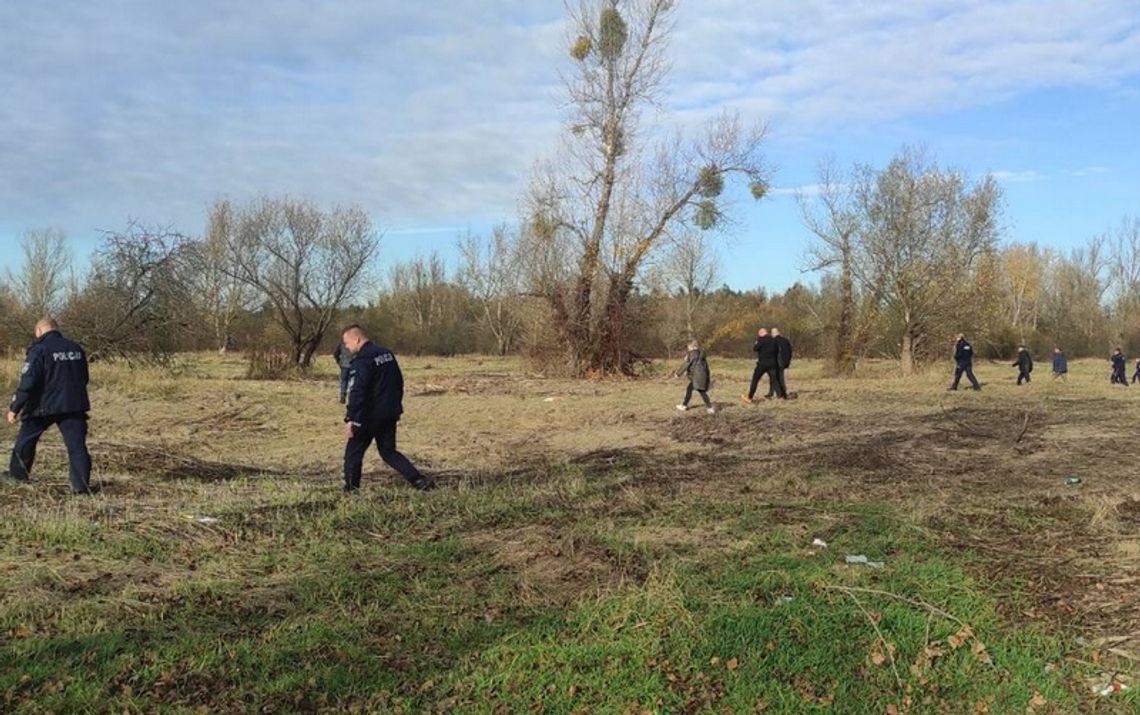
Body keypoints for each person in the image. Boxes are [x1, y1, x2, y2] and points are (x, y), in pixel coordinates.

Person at [340, 324, 434, 492]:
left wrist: (351, 418)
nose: (346, 347)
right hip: (389, 412)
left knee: (353, 454)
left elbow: (357, 391)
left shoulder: (362, 361)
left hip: (368, 416)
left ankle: (351, 491)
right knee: (389, 452)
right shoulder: (386, 353)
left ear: (357, 339)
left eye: (347, 343)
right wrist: (395, 406)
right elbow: (398, 381)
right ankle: (419, 481)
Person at [5, 318, 92, 494]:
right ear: (56, 329)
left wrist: (15, 407)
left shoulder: (39, 350)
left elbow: (28, 381)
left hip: (42, 405)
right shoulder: (76, 348)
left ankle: (17, 475)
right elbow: (84, 377)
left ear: (39, 330)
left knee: (26, 440)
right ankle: (80, 486)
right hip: (74, 405)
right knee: (77, 446)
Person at [674, 340, 714, 414]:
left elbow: (686, 364)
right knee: (690, 389)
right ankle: (685, 405)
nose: (688, 349)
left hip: (696, 377)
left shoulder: (691, 354)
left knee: (701, 392)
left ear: (692, 347)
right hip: (702, 376)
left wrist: (678, 374)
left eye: (688, 347)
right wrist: (708, 377)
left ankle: (710, 408)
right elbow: (706, 367)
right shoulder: (702, 354)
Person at [742, 328, 779, 403]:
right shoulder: (773, 340)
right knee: (774, 380)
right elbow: (777, 350)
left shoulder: (761, 340)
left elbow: (755, 348)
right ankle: (780, 396)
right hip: (772, 363)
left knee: (755, 379)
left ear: (761, 333)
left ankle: (750, 397)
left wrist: (757, 342)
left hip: (762, 364)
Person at [768, 328, 793, 399]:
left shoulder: (773, 341)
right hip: (784, 362)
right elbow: (790, 351)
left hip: (777, 362)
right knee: (778, 377)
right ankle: (772, 392)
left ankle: (780, 393)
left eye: (772, 333)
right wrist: (787, 361)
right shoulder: (786, 340)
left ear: (773, 333)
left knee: (776, 378)